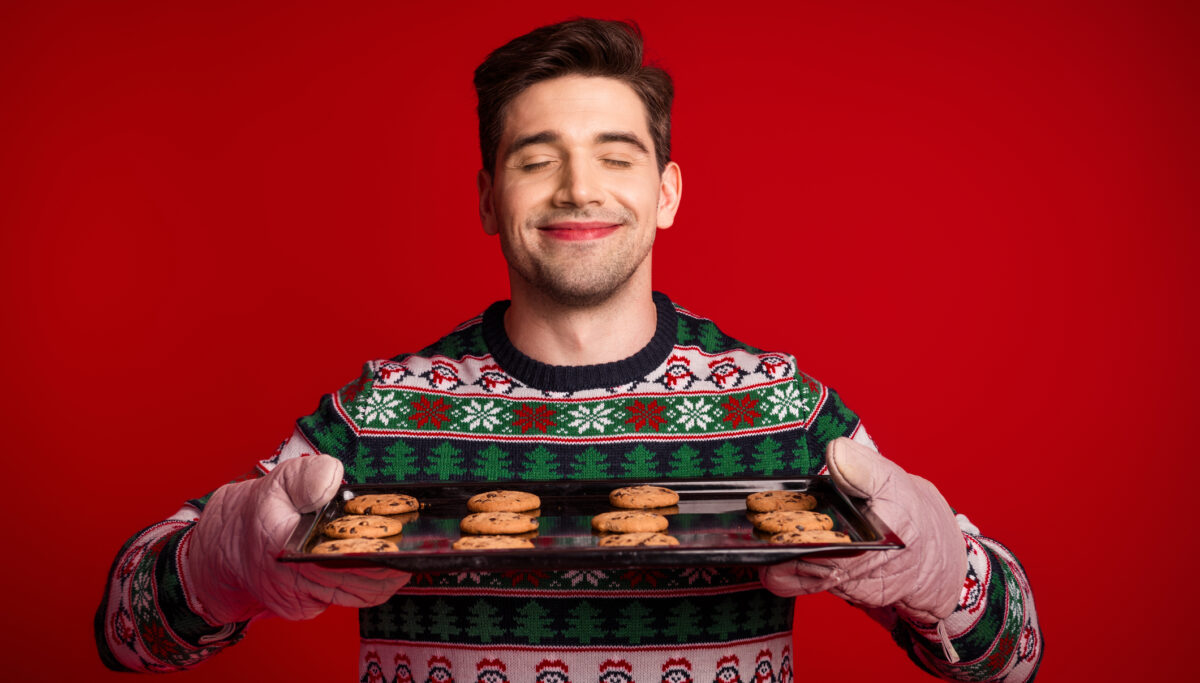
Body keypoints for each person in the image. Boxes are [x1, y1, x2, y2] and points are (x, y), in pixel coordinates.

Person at [96, 18, 1042, 682]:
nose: (578, 186)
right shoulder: (379, 410)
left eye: (617, 154)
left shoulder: (783, 408)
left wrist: (931, 559)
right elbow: (125, 632)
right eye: (537, 157)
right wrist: (229, 556)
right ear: (486, 197)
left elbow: (1016, 653)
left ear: (668, 191)